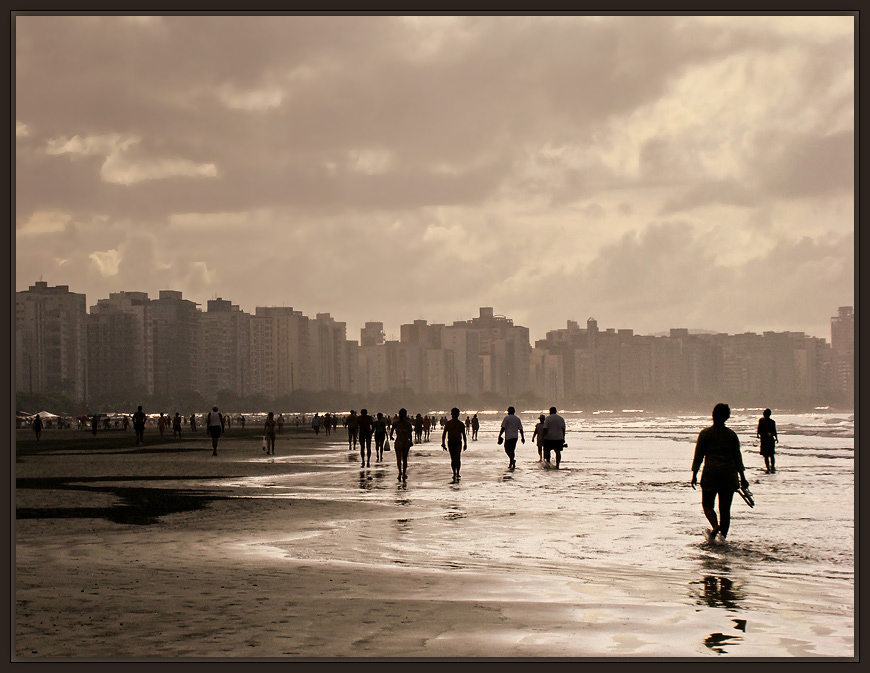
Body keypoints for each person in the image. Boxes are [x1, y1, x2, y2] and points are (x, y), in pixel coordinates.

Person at [691, 403, 749, 542]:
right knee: (725, 510)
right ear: (727, 417)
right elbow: (737, 458)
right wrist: (743, 477)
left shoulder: (705, 434)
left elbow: (698, 456)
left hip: (711, 474)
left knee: (707, 505)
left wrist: (694, 474)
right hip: (729, 476)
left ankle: (715, 527)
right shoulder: (731, 435)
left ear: (713, 415)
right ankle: (722, 539)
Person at [441, 407, 468, 482]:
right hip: (451, 442)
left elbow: (464, 435)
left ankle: (457, 472)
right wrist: (443, 443)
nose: (454, 415)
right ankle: (454, 472)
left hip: (458, 442)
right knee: (453, 458)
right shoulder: (448, 423)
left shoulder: (460, 424)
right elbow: (444, 434)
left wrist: (465, 444)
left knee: (457, 457)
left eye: (455, 414)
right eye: (453, 414)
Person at [390, 408, 414, 481]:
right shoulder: (408, 424)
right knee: (405, 459)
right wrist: (411, 441)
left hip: (398, 442)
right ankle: (404, 473)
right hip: (405, 442)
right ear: (406, 415)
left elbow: (391, 433)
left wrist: (391, 437)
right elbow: (410, 434)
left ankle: (399, 471)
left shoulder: (395, 423)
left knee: (398, 458)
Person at [497, 406, 525, 470]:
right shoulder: (517, 419)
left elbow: (503, 428)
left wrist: (499, 435)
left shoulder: (506, 418)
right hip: (515, 437)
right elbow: (521, 429)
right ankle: (511, 462)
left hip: (508, 436)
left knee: (507, 449)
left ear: (508, 411)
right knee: (512, 450)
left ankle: (512, 460)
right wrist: (522, 438)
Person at [756, 408, 778, 473]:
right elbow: (774, 431)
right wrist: (776, 438)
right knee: (771, 454)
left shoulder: (761, 420)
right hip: (770, 439)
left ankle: (768, 467)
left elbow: (759, 429)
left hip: (764, 439)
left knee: (766, 455)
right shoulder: (772, 422)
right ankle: (772, 467)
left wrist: (758, 435)